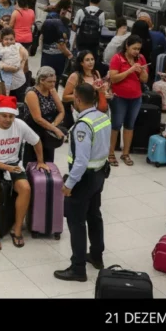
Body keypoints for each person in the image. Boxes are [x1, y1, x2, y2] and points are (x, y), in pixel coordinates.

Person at [54, 83, 110, 283]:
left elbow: (81, 160)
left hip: (84, 178)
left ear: (77, 99)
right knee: (94, 215)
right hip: (99, 175)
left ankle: (78, 268)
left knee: (76, 221)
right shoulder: (103, 115)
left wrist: (69, 184)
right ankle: (96, 256)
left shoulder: (83, 125)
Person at [0, 95, 46, 250]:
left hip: (13, 164)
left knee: (25, 189)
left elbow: (36, 141)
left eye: (11, 116)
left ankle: (17, 230)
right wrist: (5, 167)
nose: (8, 119)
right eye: (4, 116)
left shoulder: (20, 125)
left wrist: (40, 161)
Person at [107, 36, 148, 167]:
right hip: (119, 97)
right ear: (127, 46)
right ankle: (111, 153)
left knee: (130, 125)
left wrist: (141, 71)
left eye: (139, 49)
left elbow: (145, 80)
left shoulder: (141, 59)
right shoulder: (117, 58)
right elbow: (113, 79)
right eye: (134, 48)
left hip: (136, 97)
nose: (137, 51)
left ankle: (126, 153)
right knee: (116, 125)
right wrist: (130, 70)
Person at [21, 66, 66, 164]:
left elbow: (61, 111)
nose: (53, 84)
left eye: (54, 81)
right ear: (41, 80)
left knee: (49, 162)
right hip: (34, 132)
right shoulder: (32, 93)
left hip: (48, 133)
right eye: (50, 82)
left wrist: (53, 125)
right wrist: (55, 129)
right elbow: (37, 118)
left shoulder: (52, 90)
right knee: (32, 164)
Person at [0, 28, 29, 99]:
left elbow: (24, 58)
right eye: (6, 39)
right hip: (4, 86)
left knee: (20, 104)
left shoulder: (18, 46)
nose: (9, 41)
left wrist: (20, 62)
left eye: (11, 39)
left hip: (19, 83)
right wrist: (1, 65)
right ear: (2, 40)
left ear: (14, 39)